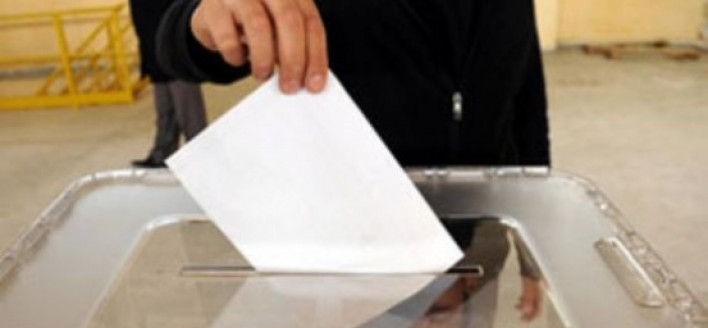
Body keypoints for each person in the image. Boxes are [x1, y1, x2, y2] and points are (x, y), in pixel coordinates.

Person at [154, 0, 549, 167]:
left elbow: (527, 92)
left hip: (486, 237)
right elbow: (179, 45)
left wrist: (534, 249)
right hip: (359, 244)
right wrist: (204, 24)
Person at [129, 0, 208, 168]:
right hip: (151, 42)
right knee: (164, 104)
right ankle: (163, 152)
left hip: (174, 44)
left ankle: (201, 153)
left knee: (187, 106)